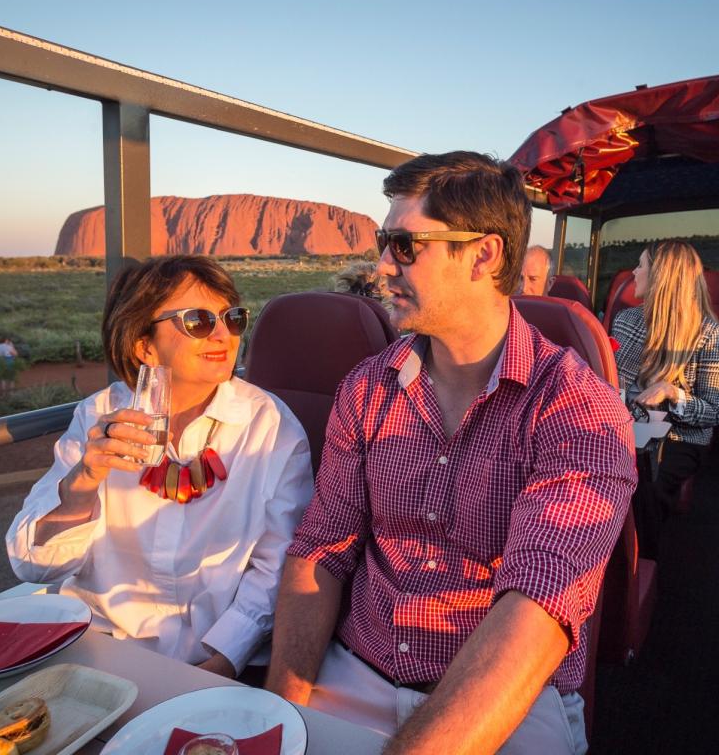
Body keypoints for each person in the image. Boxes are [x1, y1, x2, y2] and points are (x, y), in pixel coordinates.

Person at [266, 152, 636, 755]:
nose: (382, 266)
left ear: (484, 255)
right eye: (385, 244)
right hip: (357, 670)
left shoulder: (577, 407)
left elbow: (537, 606)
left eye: (404, 246)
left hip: (512, 697)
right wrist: (279, 714)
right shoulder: (367, 387)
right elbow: (322, 550)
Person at [7, 255, 314, 677]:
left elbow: (276, 563)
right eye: (198, 321)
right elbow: (33, 565)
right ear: (144, 345)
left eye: (233, 318)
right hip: (98, 650)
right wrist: (84, 481)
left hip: (216, 661)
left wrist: (225, 660)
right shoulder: (99, 415)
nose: (223, 334)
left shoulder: (270, 426)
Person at [610, 240, 719, 558]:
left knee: (645, 484)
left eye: (641, 265)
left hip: (679, 435)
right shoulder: (625, 322)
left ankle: (640, 566)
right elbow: (613, 387)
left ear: (661, 276)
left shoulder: (709, 334)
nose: (634, 272)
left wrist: (672, 393)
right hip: (627, 427)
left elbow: (712, 412)